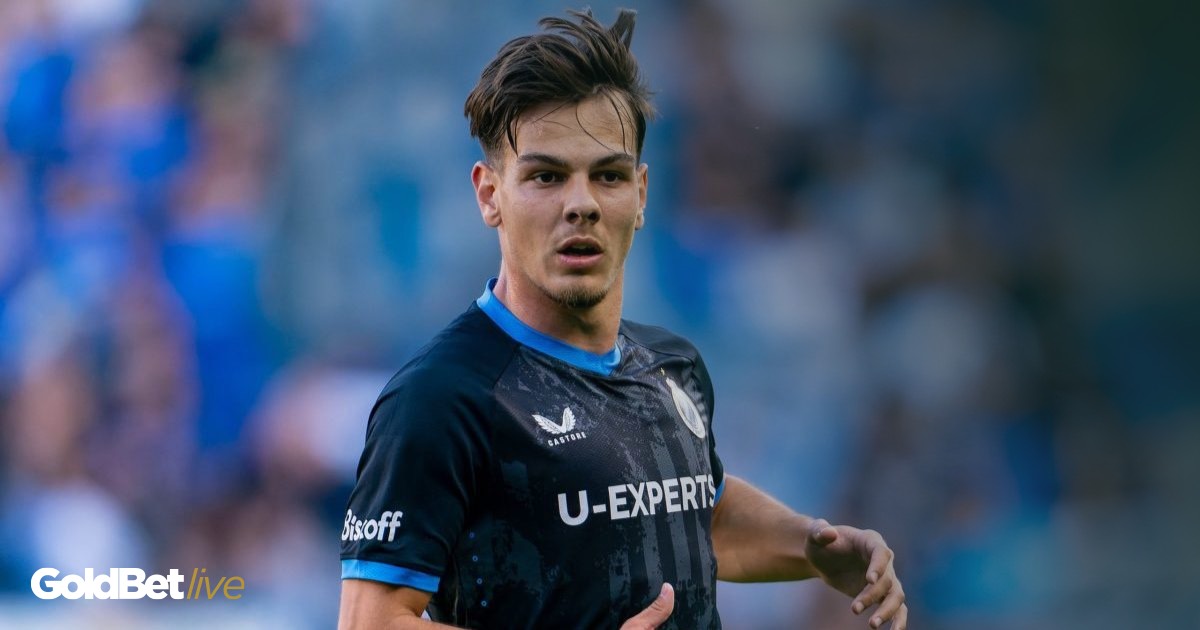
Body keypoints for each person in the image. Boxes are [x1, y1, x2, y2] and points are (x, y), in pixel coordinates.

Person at [338, 9, 907, 629]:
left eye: (607, 176)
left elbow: (698, 516)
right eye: (546, 176)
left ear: (640, 194)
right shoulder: (443, 396)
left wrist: (812, 546)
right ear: (489, 194)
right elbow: (371, 621)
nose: (581, 204)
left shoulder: (673, 366)